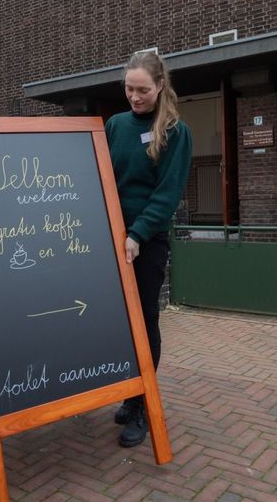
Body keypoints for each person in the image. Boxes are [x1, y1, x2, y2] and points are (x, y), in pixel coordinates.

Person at [105, 50, 192, 448]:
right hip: (111, 238)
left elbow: (167, 194)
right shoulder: (115, 125)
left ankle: (142, 402)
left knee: (144, 320)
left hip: (145, 244)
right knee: (118, 323)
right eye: (129, 89)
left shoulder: (176, 131)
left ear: (160, 86)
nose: (135, 97)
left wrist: (137, 235)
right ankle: (128, 389)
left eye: (142, 90)